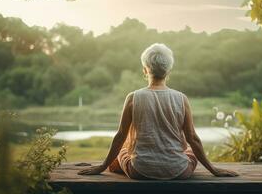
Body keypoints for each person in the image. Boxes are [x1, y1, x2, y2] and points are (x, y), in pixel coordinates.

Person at [78, 43, 239, 179]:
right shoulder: (181, 98)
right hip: (179, 171)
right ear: (168, 71)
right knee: (191, 150)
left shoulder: (133, 97)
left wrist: (102, 166)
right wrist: (213, 170)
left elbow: (120, 135)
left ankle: (115, 166)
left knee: (124, 147)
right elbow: (193, 138)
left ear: (145, 70)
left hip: (140, 171)